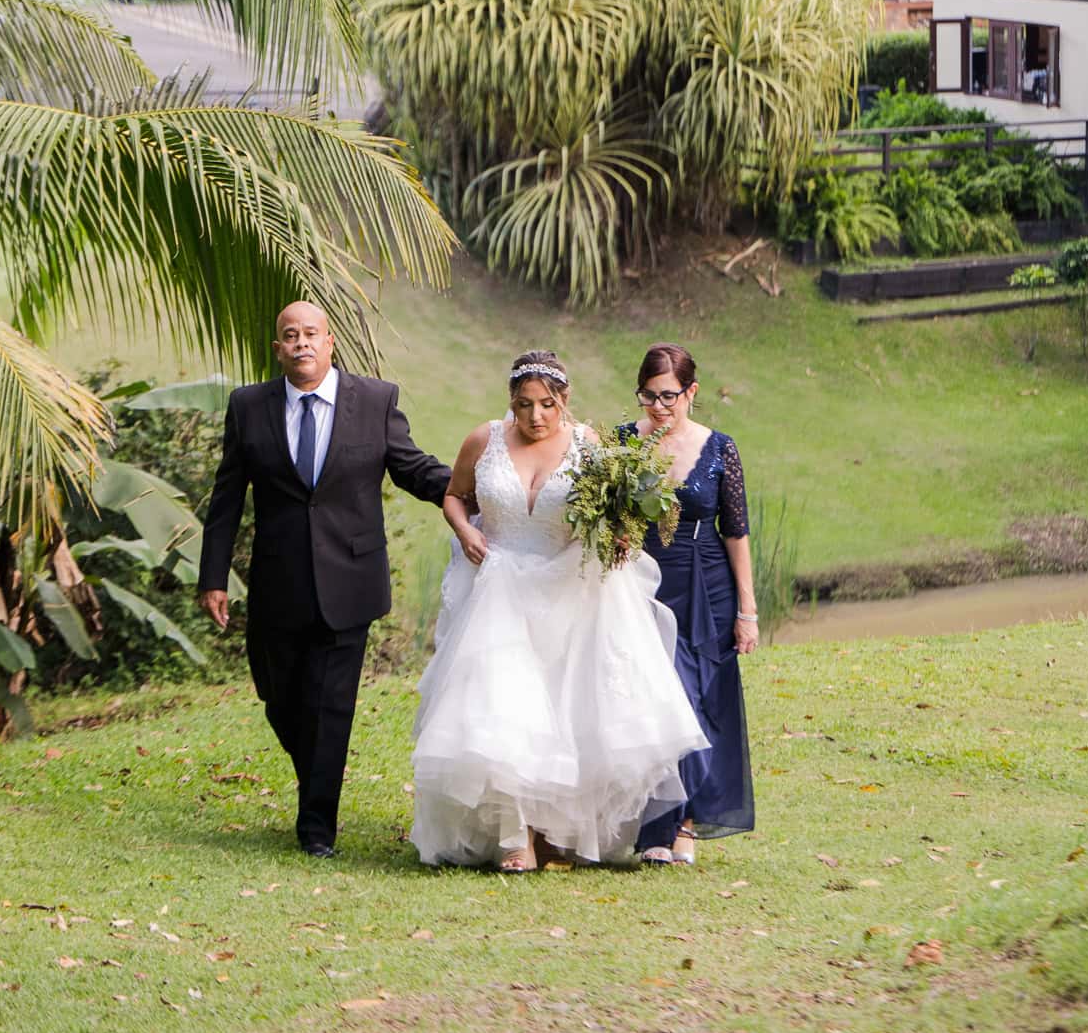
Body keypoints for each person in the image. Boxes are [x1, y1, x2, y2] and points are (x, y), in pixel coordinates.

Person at [410, 351, 707, 872]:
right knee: (502, 710)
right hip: (499, 586)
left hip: (569, 588)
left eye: (547, 405)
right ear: (511, 403)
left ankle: (554, 833)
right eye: (524, 405)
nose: (535, 417)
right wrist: (466, 530)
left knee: (564, 710)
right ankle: (512, 837)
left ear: (564, 402)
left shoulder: (589, 446)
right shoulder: (484, 439)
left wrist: (617, 534)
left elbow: (616, 510)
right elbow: (454, 496)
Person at [196, 300, 450, 857]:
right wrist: (213, 577)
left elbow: (412, 467)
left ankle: (317, 826)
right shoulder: (248, 407)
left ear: (330, 342)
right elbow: (226, 496)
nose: (302, 343)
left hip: (351, 579)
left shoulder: (375, 401)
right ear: (278, 349)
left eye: (311, 333)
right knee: (281, 700)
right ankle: (314, 773)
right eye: (290, 335)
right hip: (276, 583)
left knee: (332, 705)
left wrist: (473, 491)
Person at [623, 344, 756, 867]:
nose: (659, 407)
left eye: (669, 396)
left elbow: (737, 531)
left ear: (692, 392)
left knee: (698, 698)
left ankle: (684, 821)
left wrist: (747, 610)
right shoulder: (621, 444)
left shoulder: (719, 448)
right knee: (655, 697)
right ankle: (657, 819)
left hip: (708, 584)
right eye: (649, 396)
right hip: (643, 581)